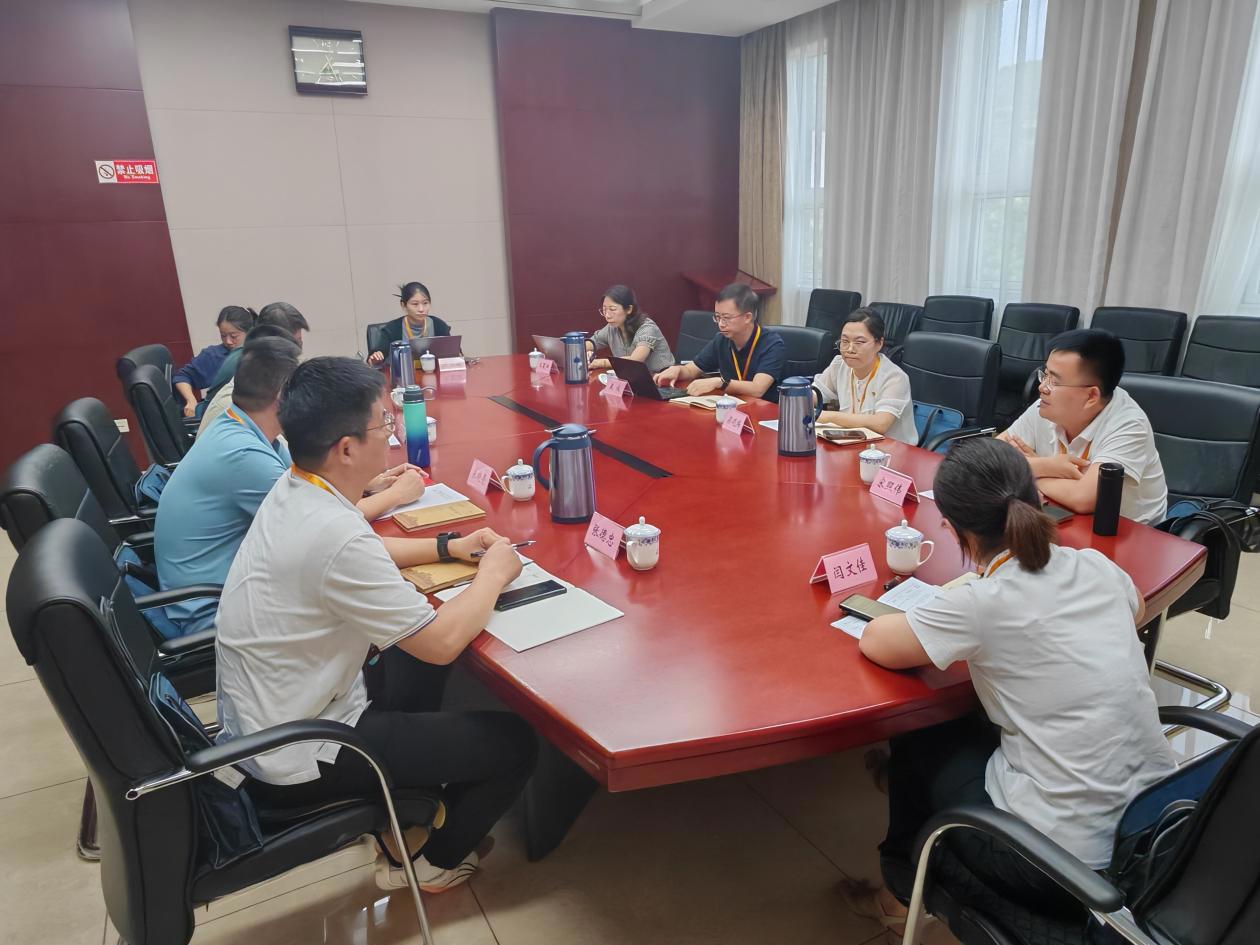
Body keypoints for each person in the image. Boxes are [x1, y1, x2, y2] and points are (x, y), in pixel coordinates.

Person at [215, 356, 537, 893]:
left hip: (273, 714)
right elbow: (441, 642)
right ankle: (433, 862)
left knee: (412, 663)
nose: (391, 433)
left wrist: (449, 547)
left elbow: (364, 549)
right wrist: (494, 574)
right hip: (304, 748)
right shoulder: (332, 531)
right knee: (515, 742)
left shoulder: (298, 488)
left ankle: (409, 813)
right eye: (383, 423)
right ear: (346, 448)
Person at [851, 438, 1175, 932]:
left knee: (922, 733)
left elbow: (877, 641)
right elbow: (1136, 610)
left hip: (1054, 862)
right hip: (1157, 827)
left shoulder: (981, 602)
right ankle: (899, 797)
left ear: (953, 529)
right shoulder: (1095, 565)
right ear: (1036, 500)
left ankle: (899, 893)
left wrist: (962, 599)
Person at [155, 341, 425, 636]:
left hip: (236, 586)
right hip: (213, 608)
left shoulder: (243, 427)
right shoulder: (243, 454)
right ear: (283, 398)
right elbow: (319, 517)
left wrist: (368, 482)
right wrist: (397, 495)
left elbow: (310, 485)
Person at [998, 328, 1167, 524]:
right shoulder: (1045, 406)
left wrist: (1026, 473)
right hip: (1062, 516)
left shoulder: (1129, 425)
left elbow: (1083, 498)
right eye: (1045, 374)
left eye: (1055, 381)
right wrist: (1047, 466)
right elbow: (990, 457)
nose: (1042, 387)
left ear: (1091, 396)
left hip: (1130, 532)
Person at [652, 283, 786, 402]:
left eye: (726, 318)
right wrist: (677, 370)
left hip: (764, 412)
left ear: (747, 317)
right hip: (732, 407)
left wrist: (721, 383)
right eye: (717, 317)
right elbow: (691, 370)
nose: (721, 324)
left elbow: (758, 389)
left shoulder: (771, 344)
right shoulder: (722, 340)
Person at [200, 302, 311, 433]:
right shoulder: (248, 369)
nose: (297, 353)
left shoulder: (255, 359)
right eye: (295, 345)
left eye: (300, 342)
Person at [811, 308, 917, 444]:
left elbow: (881, 423)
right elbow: (815, 395)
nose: (850, 349)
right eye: (845, 341)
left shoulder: (895, 377)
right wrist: (798, 397)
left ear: (879, 343)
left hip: (891, 449)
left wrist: (826, 416)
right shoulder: (839, 365)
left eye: (859, 342)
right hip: (851, 442)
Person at [173, 305, 255, 417]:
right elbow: (182, 377)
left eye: (233, 336)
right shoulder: (213, 355)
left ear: (249, 332)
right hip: (218, 415)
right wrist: (191, 400)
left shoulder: (259, 354)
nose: (228, 341)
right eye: (223, 336)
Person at [586, 284, 675, 374]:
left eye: (612, 309)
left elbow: (634, 361)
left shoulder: (647, 328)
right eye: (604, 310)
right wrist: (586, 353)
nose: (607, 316)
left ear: (629, 309)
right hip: (632, 377)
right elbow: (591, 343)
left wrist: (599, 363)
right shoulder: (612, 327)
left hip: (663, 378)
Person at [366, 281, 452, 366]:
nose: (421, 309)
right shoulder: (392, 330)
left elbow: (453, 355)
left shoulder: (439, 325)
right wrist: (375, 358)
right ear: (403, 305)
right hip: (402, 373)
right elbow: (374, 358)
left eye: (425, 303)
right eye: (415, 304)